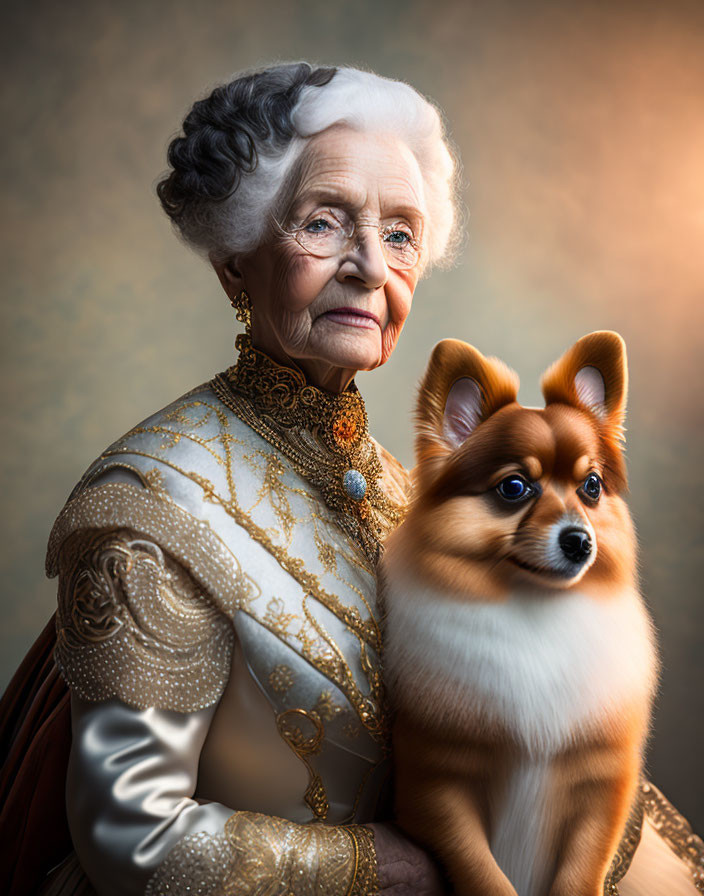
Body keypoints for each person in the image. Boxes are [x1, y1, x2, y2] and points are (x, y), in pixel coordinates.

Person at [0, 62, 701, 896]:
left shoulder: (416, 489)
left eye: (401, 233)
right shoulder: (152, 507)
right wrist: (389, 867)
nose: (372, 267)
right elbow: (131, 838)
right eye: (324, 224)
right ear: (235, 259)